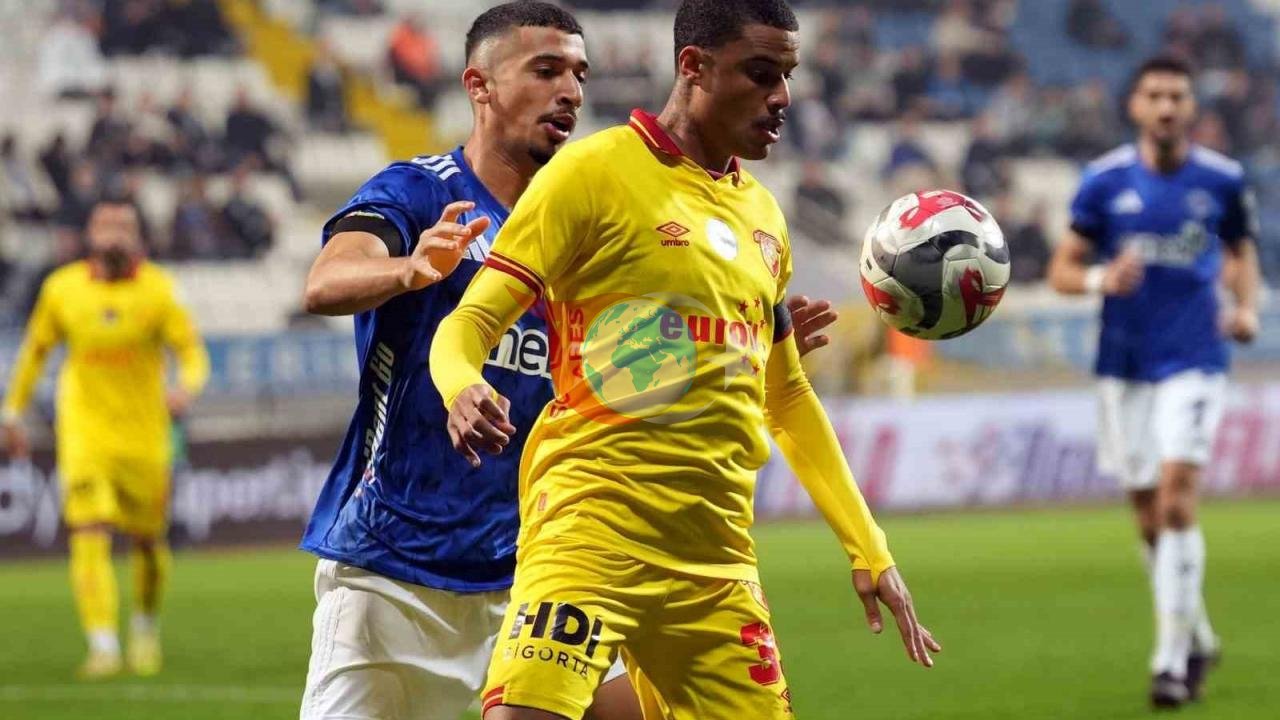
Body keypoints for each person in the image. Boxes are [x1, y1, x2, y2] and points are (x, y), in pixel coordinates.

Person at [298, 4, 836, 719]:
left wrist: (741, 344)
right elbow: (324, 282)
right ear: (480, 86)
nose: (571, 92)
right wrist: (407, 270)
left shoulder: (597, 210)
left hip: (547, 558)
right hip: (397, 574)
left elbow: (631, 369)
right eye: (546, 70)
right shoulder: (421, 191)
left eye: (580, 74)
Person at [430, 2, 939, 719]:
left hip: (716, 561)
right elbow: (469, 322)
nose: (781, 97)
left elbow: (788, 397)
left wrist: (869, 547)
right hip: (591, 530)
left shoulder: (764, 217)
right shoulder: (591, 173)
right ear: (694, 66)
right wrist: (461, 385)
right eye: (760, 73)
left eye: (787, 76)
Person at [1048, 54, 1261, 709]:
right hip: (1125, 363)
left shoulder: (1222, 179)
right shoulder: (1103, 182)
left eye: (1177, 95)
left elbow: (1241, 251)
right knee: (1148, 518)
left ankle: (1170, 665)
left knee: (1175, 502)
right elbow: (1062, 269)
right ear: (1135, 106)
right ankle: (1198, 635)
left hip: (1194, 357)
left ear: (1191, 107)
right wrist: (1099, 278)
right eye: (1155, 95)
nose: (1167, 106)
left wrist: (1246, 307)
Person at [1, 199, 209, 679]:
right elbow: (34, 353)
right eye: (105, 225)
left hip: (144, 436)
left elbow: (192, 352)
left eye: (123, 225)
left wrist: (186, 387)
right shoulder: (62, 288)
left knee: (148, 543)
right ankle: (102, 645)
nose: (113, 233)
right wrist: (11, 412)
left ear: (138, 236)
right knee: (89, 531)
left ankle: (144, 626)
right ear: (90, 234)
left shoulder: (160, 289)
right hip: (84, 434)